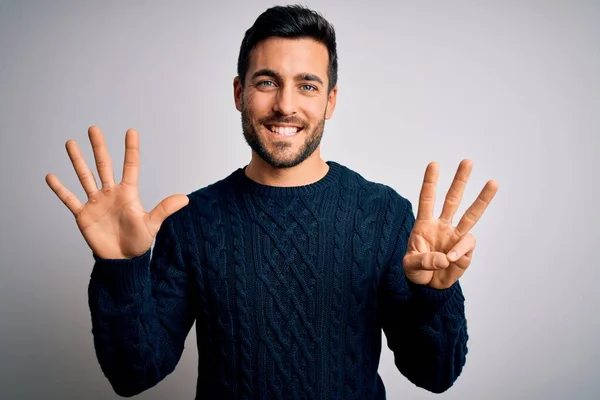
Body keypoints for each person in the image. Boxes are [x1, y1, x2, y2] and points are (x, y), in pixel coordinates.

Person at [45, 5, 498, 399]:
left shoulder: (383, 216)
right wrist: (120, 269)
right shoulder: (193, 222)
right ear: (239, 92)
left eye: (307, 85)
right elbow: (133, 374)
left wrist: (435, 296)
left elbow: (435, 375)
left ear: (330, 101)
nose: (285, 105)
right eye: (267, 82)